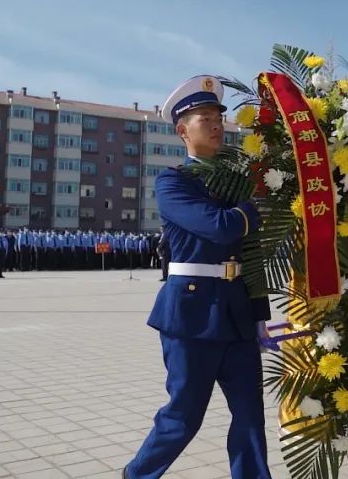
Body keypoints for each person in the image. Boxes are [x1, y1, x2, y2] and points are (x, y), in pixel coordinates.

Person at [123, 76, 271, 479]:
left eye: (218, 117)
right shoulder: (172, 182)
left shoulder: (239, 184)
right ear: (182, 130)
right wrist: (250, 208)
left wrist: (260, 315)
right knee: (183, 417)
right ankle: (136, 475)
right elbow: (221, 227)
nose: (216, 124)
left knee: (250, 419)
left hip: (237, 316)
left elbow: (252, 253)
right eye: (204, 117)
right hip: (190, 316)